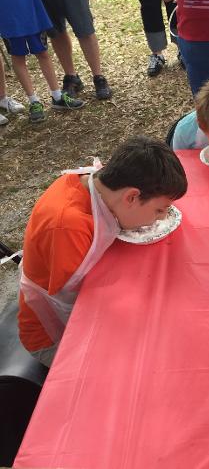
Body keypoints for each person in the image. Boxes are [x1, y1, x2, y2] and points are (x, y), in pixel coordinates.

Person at [18, 136, 188, 366]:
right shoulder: (68, 227)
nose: (161, 218)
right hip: (51, 336)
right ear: (131, 197)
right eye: (159, 210)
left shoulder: (99, 183)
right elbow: (88, 307)